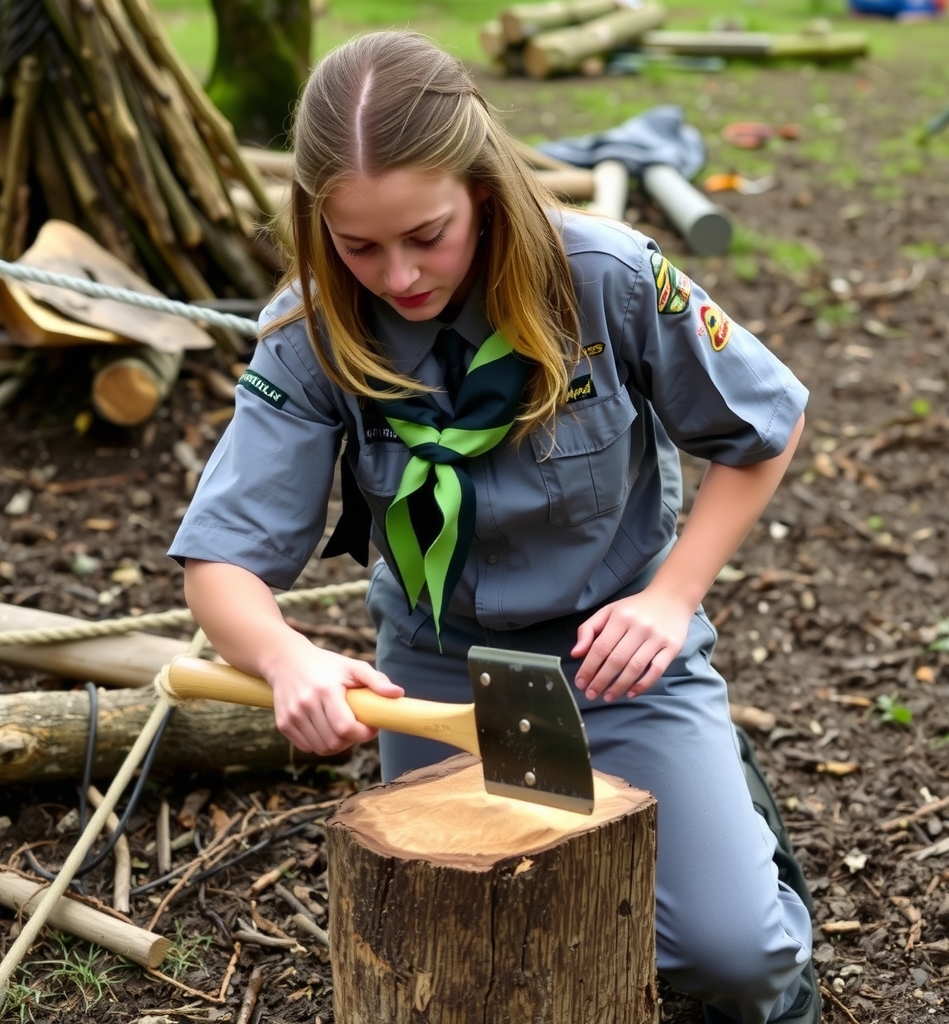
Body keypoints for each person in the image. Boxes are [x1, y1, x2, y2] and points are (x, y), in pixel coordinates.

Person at [169, 30, 819, 1024]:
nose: (397, 276)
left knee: (732, 960)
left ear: (480, 187)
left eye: (425, 235)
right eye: (358, 244)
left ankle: (724, 802)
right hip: (437, 678)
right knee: (463, 942)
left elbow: (764, 427)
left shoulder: (602, 274)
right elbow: (220, 560)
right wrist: (285, 656)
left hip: (618, 661)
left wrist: (669, 597)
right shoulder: (310, 334)